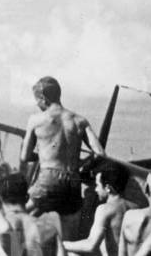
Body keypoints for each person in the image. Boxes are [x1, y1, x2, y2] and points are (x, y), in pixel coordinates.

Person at [20, 76, 105, 230]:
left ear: (43, 98)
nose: (37, 104)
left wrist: (43, 157)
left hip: (48, 180)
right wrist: (81, 164)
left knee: (18, 219)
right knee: (68, 237)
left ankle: (14, 254)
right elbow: (99, 153)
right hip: (73, 181)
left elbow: (24, 156)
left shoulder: (36, 120)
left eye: (37, 100)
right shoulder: (79, 120)